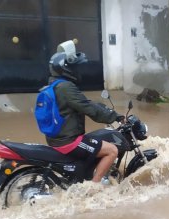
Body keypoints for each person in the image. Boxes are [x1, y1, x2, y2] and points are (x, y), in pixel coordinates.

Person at [44, 40, 124, 184]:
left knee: (94, 143)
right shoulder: (66, 87)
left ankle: (85, 175)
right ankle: (94, 187)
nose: (78, 70)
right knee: (112, 150)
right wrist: (114, 116)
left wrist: (105, 109)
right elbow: (89, 109)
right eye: (75, 67)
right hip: (69, 141)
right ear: (66, 68)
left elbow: (84, 103)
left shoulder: (54, 86)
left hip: (55, 139)